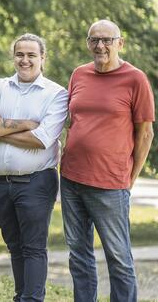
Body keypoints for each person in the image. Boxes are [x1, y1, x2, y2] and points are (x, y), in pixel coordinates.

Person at [60, 20, 154, 302]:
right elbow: (70, 122)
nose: (100, 45)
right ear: (88, 43)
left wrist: (130, 178)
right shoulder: (79, 74)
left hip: (111, 184)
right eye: (94, 40)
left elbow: (146, 133)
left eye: (107, 40)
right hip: (71, 179)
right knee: (79, 254)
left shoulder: (135, 79)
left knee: (118, 257)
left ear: (120, 43)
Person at [0, 34, 68, 302]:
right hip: (0, 183)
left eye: (31, 55)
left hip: (36, 183)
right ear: (13, 57)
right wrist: (27, 123)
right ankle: (21, 296)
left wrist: (0, 128)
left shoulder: (56, 93)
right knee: (15, 246)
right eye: (19, 55)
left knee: (33, 248)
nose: (24, 60)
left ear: (42, 58)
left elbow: (41, 140)